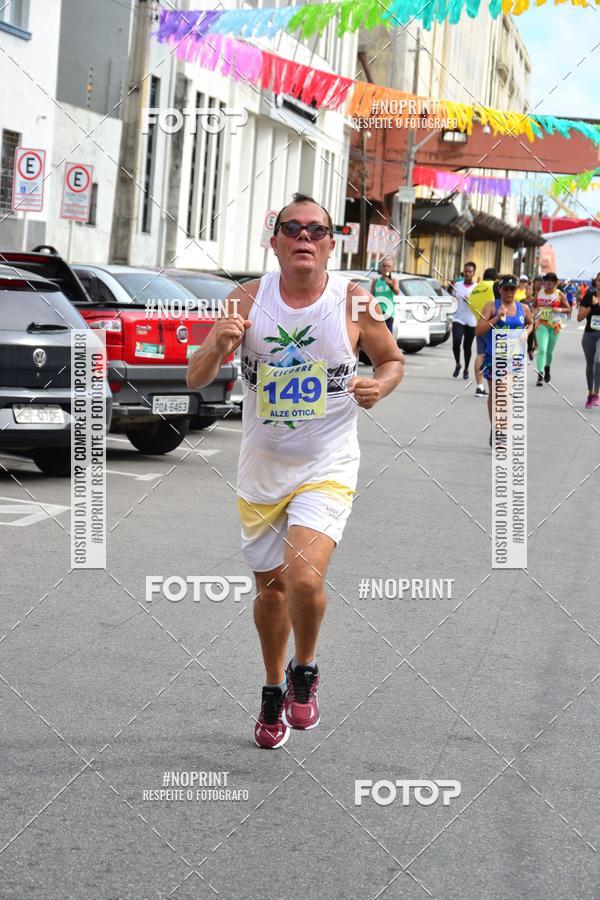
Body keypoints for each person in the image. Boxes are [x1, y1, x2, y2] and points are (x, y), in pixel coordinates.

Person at [186, 193, 404, 749]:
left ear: (332, 243)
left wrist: (380, 386)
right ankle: (270, 685)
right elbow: (195, 377)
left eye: (316, 230)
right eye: (293, 228)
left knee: (304, 575)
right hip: (262, 470)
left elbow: (391, 359)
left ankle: (303, 670)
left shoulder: (354, 303)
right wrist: (217, 345)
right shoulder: (245, 299)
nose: (304, 237)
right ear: (275, 239)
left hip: (327, 463)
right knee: (272, 591)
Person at [476, 274, 533, 446]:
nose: (509, 292)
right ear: (500, 289)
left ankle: (502, 431)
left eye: (512, 289)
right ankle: (496, 428)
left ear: (517, 290)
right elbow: (479, 330)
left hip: (514, 357)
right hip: (494, 356)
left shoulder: (523, 308)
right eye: (506, 289)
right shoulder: (492, 306)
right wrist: (496, 318)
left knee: (505, 393)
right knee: (495, 394)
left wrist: (526, 332)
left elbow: (531, 323)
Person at [533, 272, 570, 386]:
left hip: (555, 325)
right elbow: (534, 306)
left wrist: (558, 310)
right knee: (542, 349)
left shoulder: (559, 294)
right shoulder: (539, 293)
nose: (549, 282)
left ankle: (547, 368)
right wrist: (535, 313)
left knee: (549, 351)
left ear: (556, 283)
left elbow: (568, 309)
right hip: (542, 324)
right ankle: (540, 375)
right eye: (547, 280)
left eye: (552, 280)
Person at [467, 266, 497, 396]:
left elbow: (470, 304)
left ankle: (479, 386)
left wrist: (479, 317)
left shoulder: (476, 288)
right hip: (493, 323)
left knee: (480, 354)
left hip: (480, 323)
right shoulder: (494, 286)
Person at [451, 261, 477, 379]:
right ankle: (458, 364)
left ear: (474, 273)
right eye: (466, 271)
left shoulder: (477, 288)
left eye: (470, 272)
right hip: (458, 318)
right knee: (456, 342)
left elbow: (479, 304)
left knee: (467, 347)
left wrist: (471, 301)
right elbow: (453, 299)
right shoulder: (457, 285)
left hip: (471, 320)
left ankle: (466, 368)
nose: (467, 274)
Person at [577, 272, 600, 408]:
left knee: (598, 361)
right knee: (590, 365)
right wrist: (591, 306)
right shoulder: (589, 296)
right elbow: (579, 317)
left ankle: (596, 393)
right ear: (596, 282)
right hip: (589, 335)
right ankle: (590, 394)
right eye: (599, 279)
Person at [371, 256, 399, 334]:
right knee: (376, 335)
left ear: (391, 269)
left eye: (388, 266)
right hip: (377, 312)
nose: (386, 268)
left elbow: (397, 292)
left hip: (388, 313)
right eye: (384, 266)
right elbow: (371, 296)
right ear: (381, 268)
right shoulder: (376, 281)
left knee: (388, 335)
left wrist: (390, 284)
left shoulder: (393, 280)